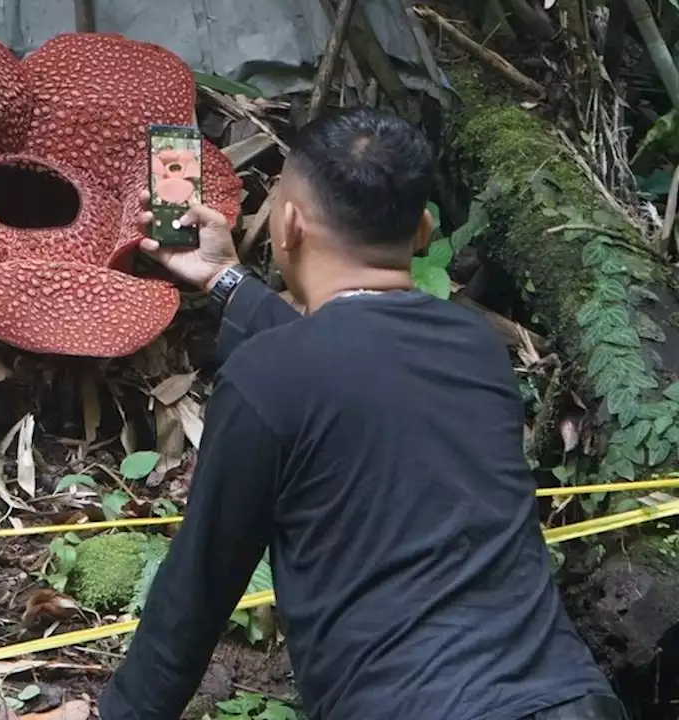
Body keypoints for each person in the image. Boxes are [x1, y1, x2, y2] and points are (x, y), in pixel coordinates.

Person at [97, 108, 624, 720]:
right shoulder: (475, 348)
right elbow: (350, 357)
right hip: (571, 699)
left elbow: (199, 587)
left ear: (287, 224)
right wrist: (225, 280)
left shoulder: (269, 377)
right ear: (423, 230)